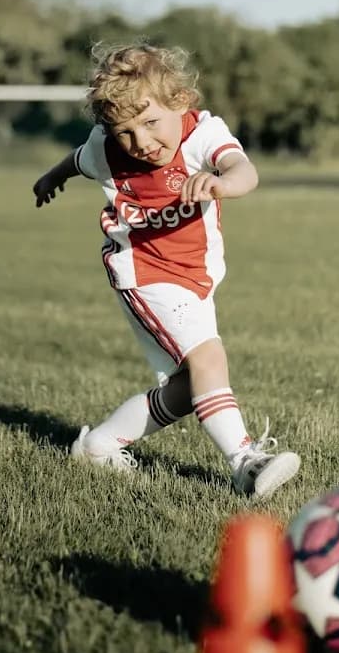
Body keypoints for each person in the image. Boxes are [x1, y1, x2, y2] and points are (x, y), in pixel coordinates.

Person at [32, 40, 300, 500]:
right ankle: (245, 464)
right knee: (209, 360)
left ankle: (100, 446)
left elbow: (245, 171)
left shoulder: (203, 135)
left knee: (185, 390)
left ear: (180, 102)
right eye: (125, 133)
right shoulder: (107, 150)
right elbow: (77, 160)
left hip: (195, 276)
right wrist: (50, 179)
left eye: (150, 123)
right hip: (143, 273)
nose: (141, 143)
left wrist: (220, 182)